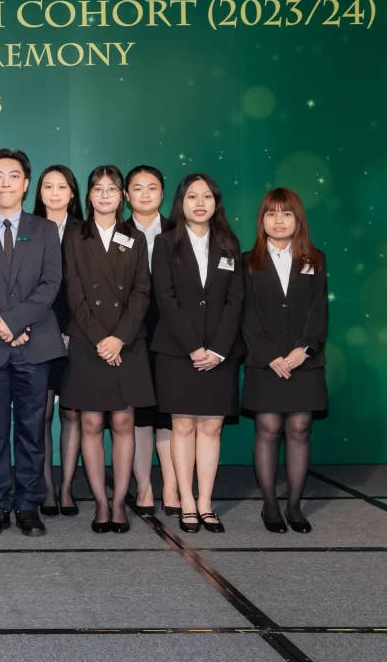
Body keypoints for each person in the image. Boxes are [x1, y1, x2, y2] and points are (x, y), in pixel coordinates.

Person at [0, 149, 65, 537]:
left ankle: (28, 505)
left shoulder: (45, 229)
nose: (5, 183)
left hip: (35, 344)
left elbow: (50, 284)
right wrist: (1, 324)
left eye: (13, 176)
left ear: (25, 183)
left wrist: (15, 322)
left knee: (32, 431)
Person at [61, 166, 155, 534]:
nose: (104, 195)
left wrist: (119, 338)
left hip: (126, 343)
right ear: (88, 195)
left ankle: (119, 503)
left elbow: (142, 292)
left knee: (123, 421)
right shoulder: (73, 236)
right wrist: (102, 338)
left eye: (112, 189)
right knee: (90, 421)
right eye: (98, 189)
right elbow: (74, 292)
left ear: (123, 197)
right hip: (88, 341)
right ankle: (100, 503)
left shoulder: (135, 236)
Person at [151, 173, 245, 534]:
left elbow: (236, 299)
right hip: (178, 351)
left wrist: (219, 349)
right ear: (181, 202)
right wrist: (194, 347)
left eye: (207, 196)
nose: (200, 203)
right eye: (193, 196)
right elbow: (166, 300)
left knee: (211, 426)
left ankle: (206, 504)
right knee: (183, 425)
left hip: (220, 354)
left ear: (216, 203)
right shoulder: (164, 243)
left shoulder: (230, 244)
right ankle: (186, 502)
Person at [242, 188, 328, 534]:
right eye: (272, 214)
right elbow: (246, 315)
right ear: (262, 220)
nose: (279, 221)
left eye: (286, 214)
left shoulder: (316, 259)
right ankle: (270, 506)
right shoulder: (248, 261)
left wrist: (303, 349)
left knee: (299, 428)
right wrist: (269, 356)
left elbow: (319, 309)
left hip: (303, 360)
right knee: (269, 428)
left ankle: (295, 506)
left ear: (298, 219)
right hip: (265, 361)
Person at [124, 165, 180, 517]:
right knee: (140, 414)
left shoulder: (179, 232)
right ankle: (143, 486)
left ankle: (172, 486)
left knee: (169, 411)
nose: (145, 194)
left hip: (173, 334)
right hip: (130, 334)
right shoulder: (117, 231)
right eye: (137, 188)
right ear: (126, 195)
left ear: (162, 193)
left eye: (152, 187)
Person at [32, 164, 83, 518]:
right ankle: (46, 486)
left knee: (72, 412)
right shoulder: (28, 229)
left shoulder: (86, 231)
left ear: (72, 193)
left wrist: (74, 329)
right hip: (38, 331)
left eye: (61, 186)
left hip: (79, 333)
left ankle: (66, 487)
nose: (54, 193)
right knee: (42, 413)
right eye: (47, 186)